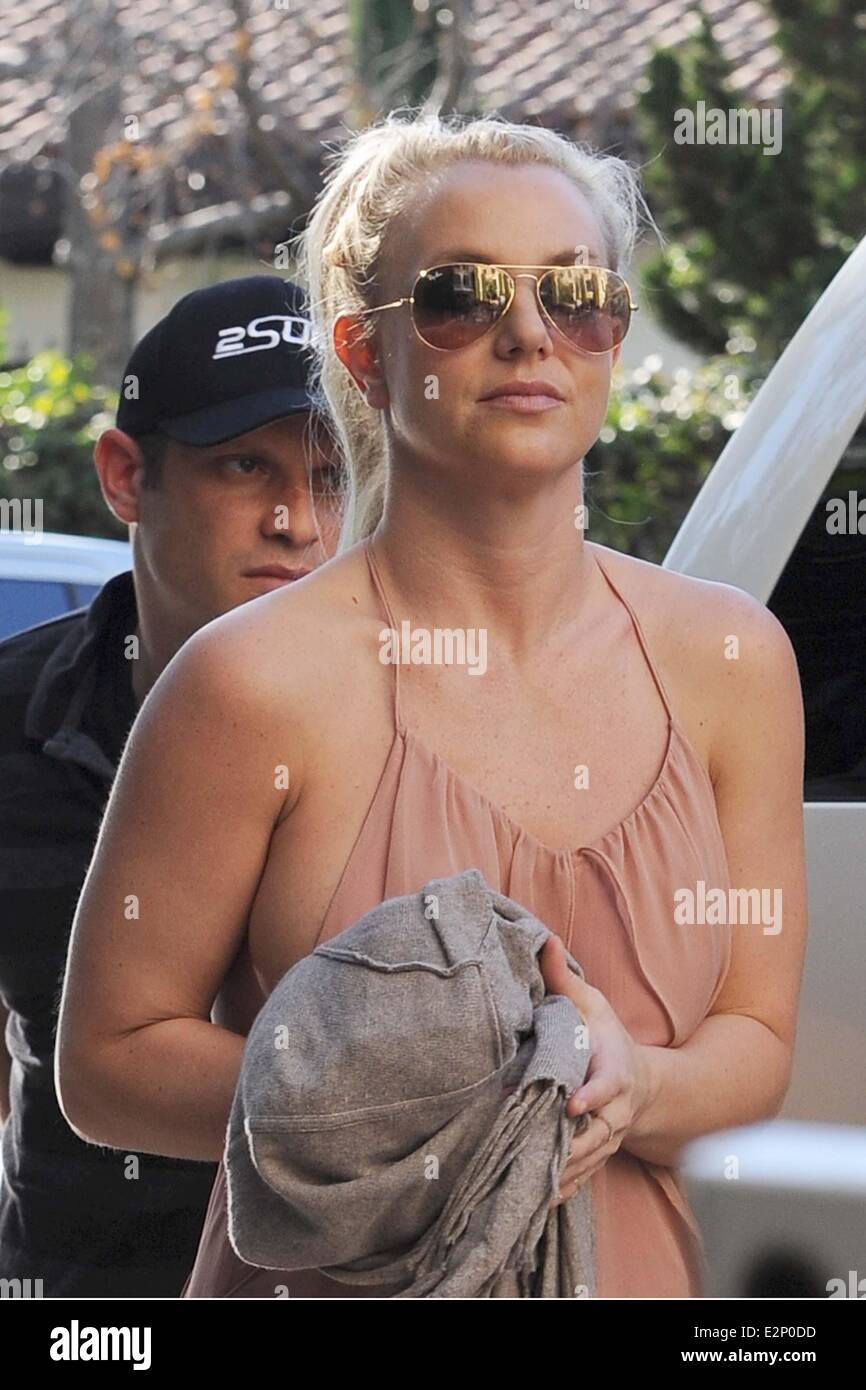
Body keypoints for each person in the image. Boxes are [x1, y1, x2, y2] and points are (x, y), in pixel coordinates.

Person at [56, 110, 808, 1299]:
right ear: (364, 355)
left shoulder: (730, 659)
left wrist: (636, 1086)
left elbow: (755, 1043)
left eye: (575, 294)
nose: (529, 332)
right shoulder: (250, 681)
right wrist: (414, 1099)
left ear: (612, 334)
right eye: (462, 295)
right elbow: (106, 1064)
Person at [0, 275, 342, 1296]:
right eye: (245, 464)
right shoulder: (14, 714)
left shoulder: (418, 720)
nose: (295, 521)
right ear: (124, 475)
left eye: (332, 475)